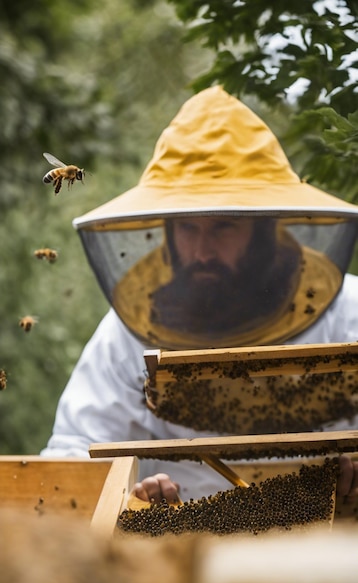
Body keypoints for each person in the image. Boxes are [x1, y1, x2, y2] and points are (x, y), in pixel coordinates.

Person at [41, 86, 358, 505]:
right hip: (185, 557)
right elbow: (72, 458)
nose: (203, 252)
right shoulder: (132, 330)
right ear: (168, 233)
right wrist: (130, 500)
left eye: (224, 226)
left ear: (264, 231)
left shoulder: (347, 313)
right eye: (188, 228)